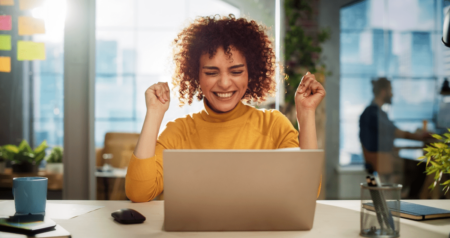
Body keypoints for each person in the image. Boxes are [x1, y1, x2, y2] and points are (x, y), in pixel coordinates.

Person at [125, 15, 326, 203]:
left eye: (236, 71)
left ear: (250, 73)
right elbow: (139, 193)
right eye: (212, 72)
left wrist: (306, 114)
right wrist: (154, 113)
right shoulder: (180, 131)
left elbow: (306, 191)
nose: (224, 83)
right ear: (197, 76)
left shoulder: (273, 125)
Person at [359, 77, 427, 198]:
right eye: (391, 90)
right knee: (422, 167)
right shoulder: (373, 113)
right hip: (381, 160)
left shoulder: (377, 112)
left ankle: (406, 196)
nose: (392, 94)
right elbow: (394, 131)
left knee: (418, 167)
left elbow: (389, 135)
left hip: (384, 157)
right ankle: (411, 201)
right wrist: (419, 137)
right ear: (384, 92)